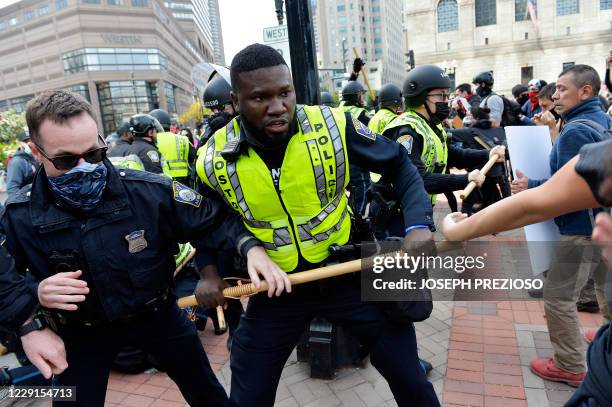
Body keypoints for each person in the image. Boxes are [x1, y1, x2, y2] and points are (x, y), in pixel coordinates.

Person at [196, 43, 440, 407]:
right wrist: (210, 271)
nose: (278, 107)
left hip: (347, 271)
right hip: (278, 289)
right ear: (236, 100)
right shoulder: (213, 156)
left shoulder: (333, 124)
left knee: (410, 377)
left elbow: (401, 166)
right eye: (260, 97)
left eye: (285, 92)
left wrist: (419, 226)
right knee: (248, 392)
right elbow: (209, 221)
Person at [0, 89, 280, 406]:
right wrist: (32, 307)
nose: (85, 167)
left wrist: (232, 259)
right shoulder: (20, 216)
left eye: (94, 154)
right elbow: (5, 277)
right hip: (81, 333)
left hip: (158, 315)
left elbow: (211, 223)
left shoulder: (147, 192)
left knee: (207, 393)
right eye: (66, 160)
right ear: (36, 153)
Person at [509, 64, 612, 386]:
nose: (555, 95)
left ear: (586, 91)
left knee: (558, 297)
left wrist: (531, 188)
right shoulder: (600, 120)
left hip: (579, 228)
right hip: (600, 222)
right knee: (603, 287)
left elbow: (567, 190)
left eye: (562, 89)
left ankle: (569, 365)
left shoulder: (577, 130)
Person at [382, 65, 504, 219]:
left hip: (416, 205)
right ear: (419, 96)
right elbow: (417, 178)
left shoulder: (430, 125)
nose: (445, 101)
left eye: (447, 96)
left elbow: (451, 154)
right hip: (396, 211)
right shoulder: (407, 131)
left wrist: (488, 154)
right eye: (441, 96)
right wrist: (465, 179)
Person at [340, 73, 372, 218]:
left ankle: (350, 216)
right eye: (360, 95)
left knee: (349, 192)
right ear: (355, 97)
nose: (362, 98)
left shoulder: (338, 110)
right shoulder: (361, 114)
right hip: (357, 160)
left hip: (340, 159)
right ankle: (356, 221)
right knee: (363, 189)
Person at [149, 109, 196, 186]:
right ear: (169, 124)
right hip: (184, 183)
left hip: (163, 182)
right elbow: (194, 158)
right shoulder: (184, 139)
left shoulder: (152, 141)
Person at [202, 75, 236, 144]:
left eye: (221, 107)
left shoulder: (250, 125)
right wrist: (212, 134)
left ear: (234, 103)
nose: (216, 112)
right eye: (212, 109)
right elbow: (200, 151)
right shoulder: (210, 128)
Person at [6, 131, 39, 197]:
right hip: (27, 204)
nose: (29, 144)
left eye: (32, 141)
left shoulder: (35, 158)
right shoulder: (16, 163)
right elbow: (12, 191)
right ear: (20, 144)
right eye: (26, 142)